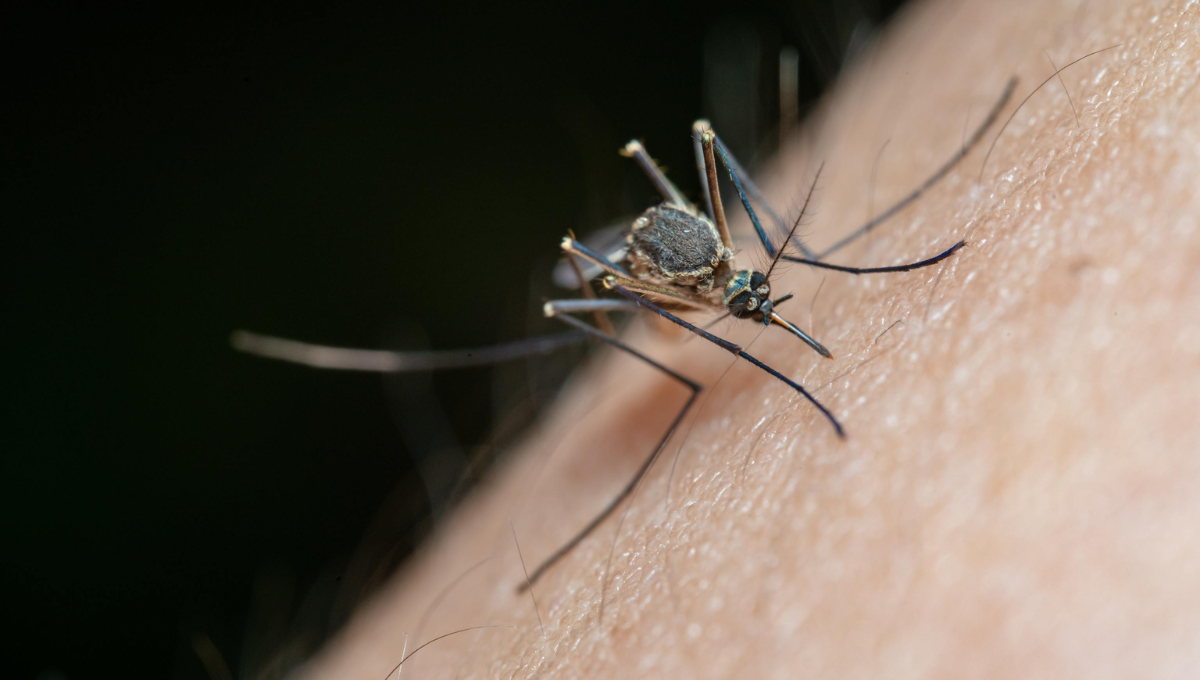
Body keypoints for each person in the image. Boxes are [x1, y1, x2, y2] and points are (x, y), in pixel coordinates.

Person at [298, 0, 1200, 676]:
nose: (759, 303)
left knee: (702, 151)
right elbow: (628, 288)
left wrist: (805, 261)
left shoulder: (735, 265)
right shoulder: (687, 288)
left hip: (692, 249)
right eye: (748, 298)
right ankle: (687, 378)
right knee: (592, 284)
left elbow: (745, 249)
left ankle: (822, 257)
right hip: (642, 274)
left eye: (755, 293)